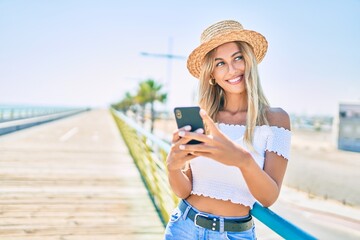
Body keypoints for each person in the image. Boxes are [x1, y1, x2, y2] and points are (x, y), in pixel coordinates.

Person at [164, 20, 291, 240]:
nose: (232, 70)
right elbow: (185, 191)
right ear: (211, 74)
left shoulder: (275, 120)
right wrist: (172, 168)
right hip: (183, 228)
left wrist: (242, 160)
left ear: (249, 60)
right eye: (220, 63)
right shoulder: (205, 118)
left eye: (237, 58)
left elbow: (269, 197)